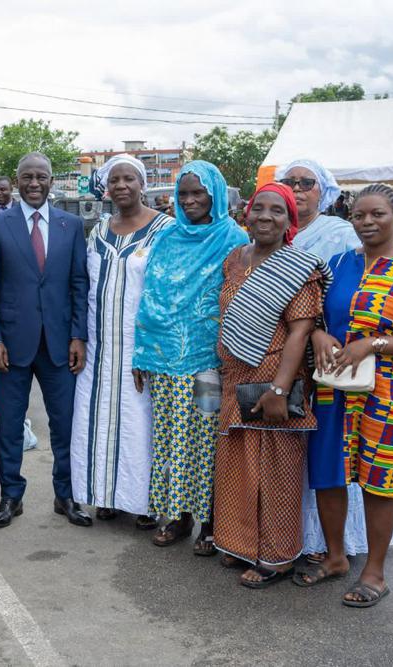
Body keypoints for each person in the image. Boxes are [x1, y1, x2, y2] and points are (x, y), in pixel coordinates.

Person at [301, 184, 393, 607]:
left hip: (389, 389)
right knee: (329, 472)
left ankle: (375, 574)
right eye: (359, 215)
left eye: (377, 214)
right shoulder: (338, 263)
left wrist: (373, 344)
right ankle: (335, 558)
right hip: (334, 387)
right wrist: (319, 334)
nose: (367, 222)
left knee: (380, 480)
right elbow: (314, 315)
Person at [213, 182, 328, 588]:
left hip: (275, 376)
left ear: (289, 221)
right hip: (235, 376)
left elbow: (300, 333)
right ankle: (240, 543)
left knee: (276, 469)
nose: (265, 216)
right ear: (246, 213)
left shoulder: (299, 267)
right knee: (237, 464)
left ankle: (277, 558)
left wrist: (279, 389)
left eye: (277, 210)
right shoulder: (235, 258)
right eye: (258, 207)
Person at [133, 161, 249, 552]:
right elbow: (151, 296)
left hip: (209, 361)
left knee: (208, 440)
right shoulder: (167, 237)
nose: (190, 200)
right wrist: (143, 353)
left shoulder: (233, 238)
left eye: (198, 192)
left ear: (215, 194)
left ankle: (211, 522)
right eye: (183, 194)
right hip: (165, 359)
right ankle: (179, 516)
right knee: (171, 440)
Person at [0, 151, 91, 529]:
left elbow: (79, 284)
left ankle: (66, 494)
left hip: (60, 344)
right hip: (11, 344)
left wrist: (78, 335)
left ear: (52, 181)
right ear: (17, 181)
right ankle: (11, 495)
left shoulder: (71, 225)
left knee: (65, 424)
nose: (35, 183)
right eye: (27, 176)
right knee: (9, 425)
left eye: (42, 176)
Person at [276, 159, 372, 563]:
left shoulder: (339, 234)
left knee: (328, 446)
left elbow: (346, 295)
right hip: (278, 353)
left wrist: (317, 329)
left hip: (326, 353)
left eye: (307, 182)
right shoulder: (271, 227)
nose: (298, 189)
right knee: (287, 445)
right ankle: (283, 534)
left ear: (324, 191)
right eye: (290, 182)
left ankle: (325, 540)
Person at [70, 155, 168, 525]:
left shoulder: (164, 230)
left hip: (142, 345)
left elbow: (168, 292)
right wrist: (80, 337)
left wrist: (152, 347)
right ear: (106, 188)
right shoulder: (98, 231)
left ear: (143, 184)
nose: (122, 185)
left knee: (140, 422)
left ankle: (146, 502)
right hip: (99, 345)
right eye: (115, 180)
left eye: (129, 179)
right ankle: (105, 495)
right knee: (97, 417)